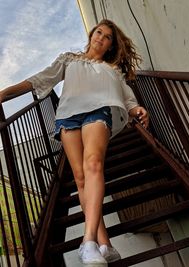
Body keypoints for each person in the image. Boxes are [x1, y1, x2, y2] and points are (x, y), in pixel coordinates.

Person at [0, 19, 149, 265]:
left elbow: (128, 99)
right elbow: (40, 79)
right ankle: (105, 244)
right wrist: (5, 93)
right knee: (80, 178)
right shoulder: (69, 59)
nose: (101, 37)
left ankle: (87, 241)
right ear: (91, 35)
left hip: (99, 112)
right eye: (98, 32)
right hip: (68, 116)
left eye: (108, 36)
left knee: (93, 165)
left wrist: (137, 110)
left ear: (112, 45)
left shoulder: (113, 69)